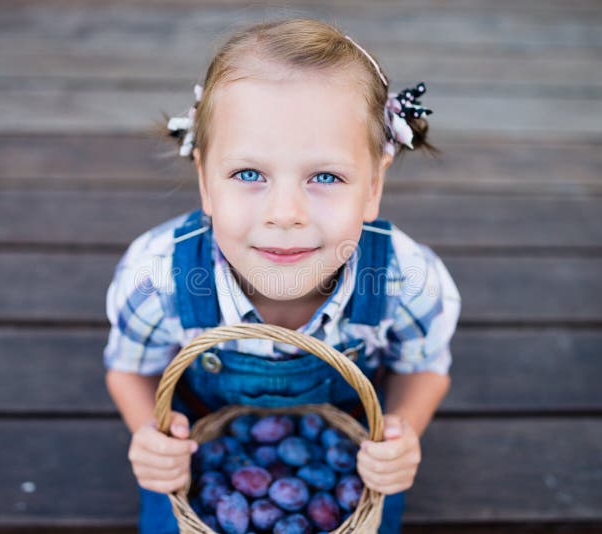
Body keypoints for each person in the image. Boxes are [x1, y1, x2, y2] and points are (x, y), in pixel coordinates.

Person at [103, 17, 462, 534]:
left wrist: (403, 434)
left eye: (325, 176)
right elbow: (127, 368)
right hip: (201, 446)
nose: (285, 212)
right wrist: (150, 438)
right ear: (205, 180)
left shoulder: (404, 281)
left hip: (346, 448)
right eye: (249, 174)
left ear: (373, 188)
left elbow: (426, 366)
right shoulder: (157, 279)